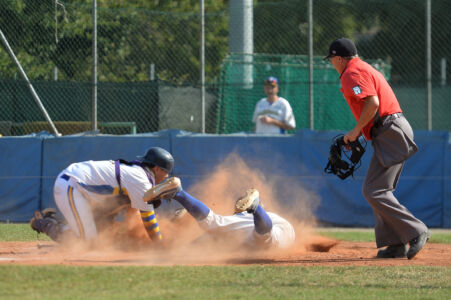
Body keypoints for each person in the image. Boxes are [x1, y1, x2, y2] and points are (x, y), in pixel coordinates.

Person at [324, 37, 430, 259]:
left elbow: (373, 103)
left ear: (340, 58)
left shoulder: (351, 72)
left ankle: (415, 231)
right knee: (377, 188)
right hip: (388, 130)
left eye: (332, 58)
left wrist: (353, 133)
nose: (331, 62)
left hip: (390, 130)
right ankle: (395, 244)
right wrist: (362, 134)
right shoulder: (361, 67)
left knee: (374, 190)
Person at [29, 147, 174, 245]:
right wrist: (159, 244)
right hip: (71, 184)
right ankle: (46, 223)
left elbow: (133, 212)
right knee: (88, 243)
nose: (167, 176)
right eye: (166, 171)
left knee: (102, 232)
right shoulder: (140, 179)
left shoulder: (139, 174)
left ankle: (73, 228)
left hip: (84, 190)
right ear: (156, 168)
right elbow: (148, 218)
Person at [143, 178, 295, 250]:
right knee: (264, 238)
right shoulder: (242, 223)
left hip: (266, 225)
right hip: (276, 225)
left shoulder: (238, 219)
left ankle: (179, 193)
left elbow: (210, 236)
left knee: (215, 223)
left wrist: (185, 248)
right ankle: (256, 209)